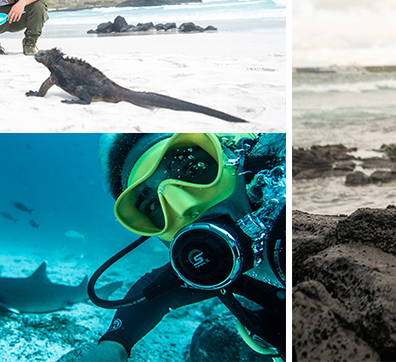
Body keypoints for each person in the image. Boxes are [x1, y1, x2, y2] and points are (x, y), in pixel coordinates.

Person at [63, 133, 285, 362]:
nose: (185, 208)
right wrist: (113, 346)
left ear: (235, 159)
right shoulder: (221, 263)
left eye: (192, 170)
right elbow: (156, 290)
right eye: (153, 205)